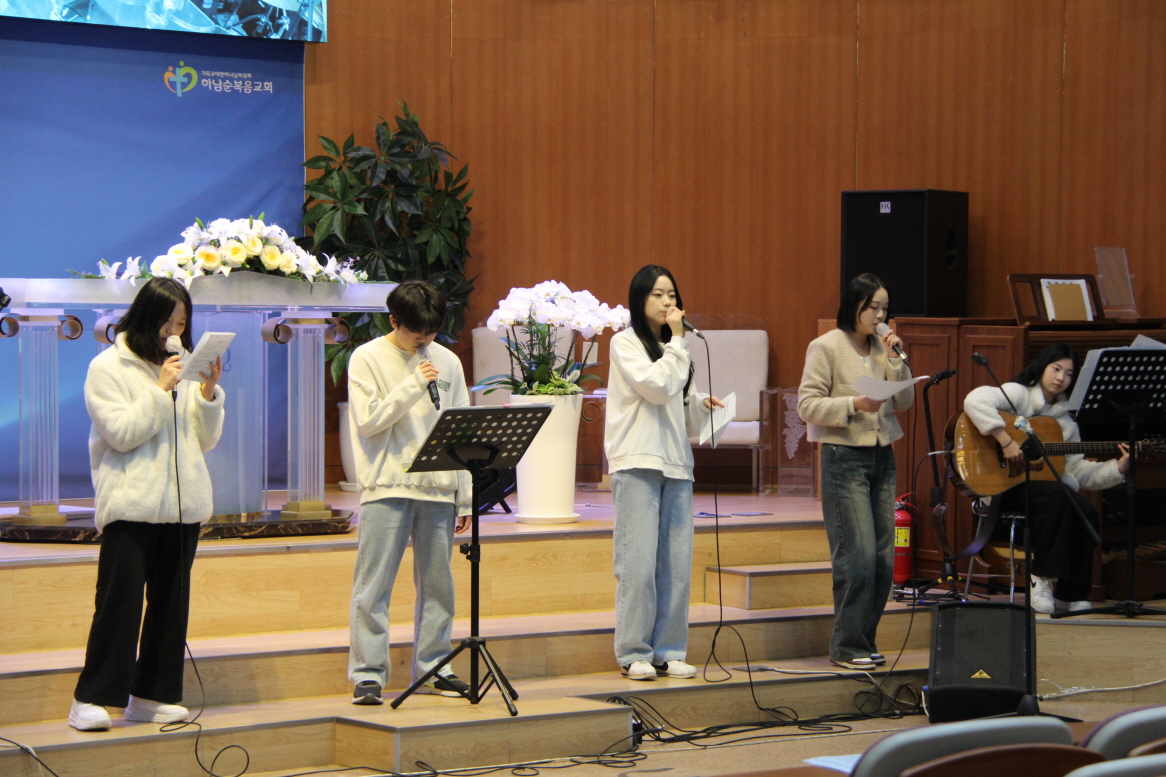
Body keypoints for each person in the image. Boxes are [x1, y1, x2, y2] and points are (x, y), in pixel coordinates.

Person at [69, 277, 225, 731]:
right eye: (167, 322)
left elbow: (203, 440)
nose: (174, 332)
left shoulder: (183, 366)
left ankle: (152, 695)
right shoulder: (108, 366)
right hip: (131, 503)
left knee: (170, 607)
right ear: (145, 318)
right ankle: (90, 698)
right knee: (118, 605)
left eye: (182, 323)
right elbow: (121, 434)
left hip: (182, 505)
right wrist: (159, 390)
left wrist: (207, 394)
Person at [347, 280, 473, 704]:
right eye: (416, 331)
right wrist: (413, 384)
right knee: (373, 587)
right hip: (387, 485)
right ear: (393, 321)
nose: (424, 340)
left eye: (431, 332)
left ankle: (436, 668)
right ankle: (368, 674)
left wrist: (465, 494)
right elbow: (368, 422)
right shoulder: (367, 357)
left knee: (439, 587)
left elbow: (461, 428)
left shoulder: (448, 361)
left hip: (438, 486)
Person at [605, 264, 724, 681]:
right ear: (640, 299)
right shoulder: (625, 343)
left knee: (675, 565)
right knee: (637, 564)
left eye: (672, 294)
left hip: (675, 463)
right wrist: (678, 344)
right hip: (637, 460)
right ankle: (634, 651)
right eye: (657, 294)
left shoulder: (676, 349)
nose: (667, 302)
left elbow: (680, 411)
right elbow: (655, 388)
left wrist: (699, 405)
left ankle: (669, 650)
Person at [797, 273, 913, 670]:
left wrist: (896, 361)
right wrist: (853, 404)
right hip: (843, 456)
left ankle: (865, 639)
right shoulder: (825, 346)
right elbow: (806, 405)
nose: (880, 316)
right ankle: (846, 646)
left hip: (882, 455)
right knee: (858, 555)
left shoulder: (885, 348)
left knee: (882, 559)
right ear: (854, 306)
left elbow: (904, 401)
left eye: (885, 308)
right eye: (873, 307)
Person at [963, 343, 1128, 613]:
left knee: (1086, 511)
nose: (1061, 377)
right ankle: (1040, 576)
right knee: (1058, 497)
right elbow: (974, 400)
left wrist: (1118, 468)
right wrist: (1005, 440)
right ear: (1042, 367)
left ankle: (1072, 594)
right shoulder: (1019, 394)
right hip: (1005, 485)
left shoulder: (1066, 422)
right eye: (1056, 369)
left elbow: (1078, 472)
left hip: (1048, 495)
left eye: (1069, 374)